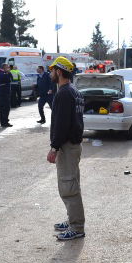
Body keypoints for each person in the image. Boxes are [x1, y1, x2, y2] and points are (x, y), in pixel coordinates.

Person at [46, 56, 86, 241]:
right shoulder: (74, 91)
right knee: (70, 184)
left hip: (67, 146)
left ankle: (76, 227)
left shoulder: (63, 93)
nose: (50, 73)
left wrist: (54, 147)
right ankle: (72, 219)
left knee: (69, 186)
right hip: (73, 145)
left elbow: (61, 124)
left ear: (59, 71)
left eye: (52, 70)